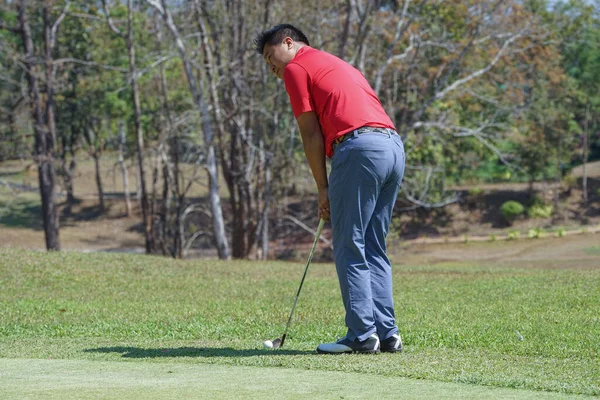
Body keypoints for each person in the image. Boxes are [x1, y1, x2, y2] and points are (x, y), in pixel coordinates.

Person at [255, 24, 405, 354]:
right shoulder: (336, 62)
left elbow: (310, 135)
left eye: (270, 56)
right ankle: (387, 333)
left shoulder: (296, 67)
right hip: (393, 148)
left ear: (289, 43)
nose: (271, 67)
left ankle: (363, 335)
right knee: (372, 245)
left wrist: (323, 188)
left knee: (349, 243)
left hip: (359, 149)